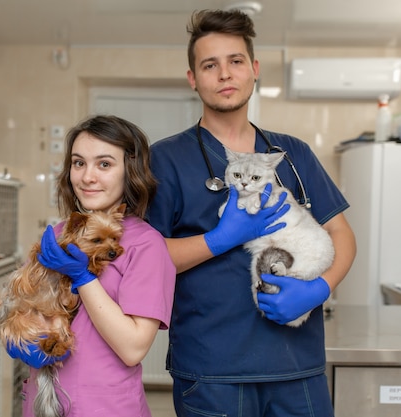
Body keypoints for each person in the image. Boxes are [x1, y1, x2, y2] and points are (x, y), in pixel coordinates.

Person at [146, 9, 356, 417]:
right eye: (210, 65)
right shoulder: (164, 159)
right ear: (193, 78)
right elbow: (144, 258)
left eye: (235, 61)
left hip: (298, 367)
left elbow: (342, 233)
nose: (225, 74)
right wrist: (218, 238)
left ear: (254, 69)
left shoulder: (291, 154)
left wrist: (321, 287)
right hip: (213, 373)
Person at [7, 115, 176, 416]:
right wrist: (20, 334)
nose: (87, 177)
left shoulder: (146, 245)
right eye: (79, 163)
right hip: (43, 403)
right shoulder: (58, 233)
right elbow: (28, 300)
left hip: (104, 406)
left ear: (130, 170)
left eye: (104, 164)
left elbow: (133, 348)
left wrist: (83, 277)